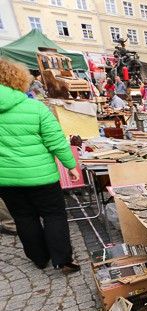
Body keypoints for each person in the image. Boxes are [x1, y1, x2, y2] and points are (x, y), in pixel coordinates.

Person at [0, 59, 81, 273]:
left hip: (6, 178)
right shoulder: (35, 108)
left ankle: (39, 258)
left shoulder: (35, 108)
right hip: (41, 175)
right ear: (19, 80)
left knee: (23, 217)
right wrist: (71, 165)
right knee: (54, 214)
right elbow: (55, 140)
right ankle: (62, 259)